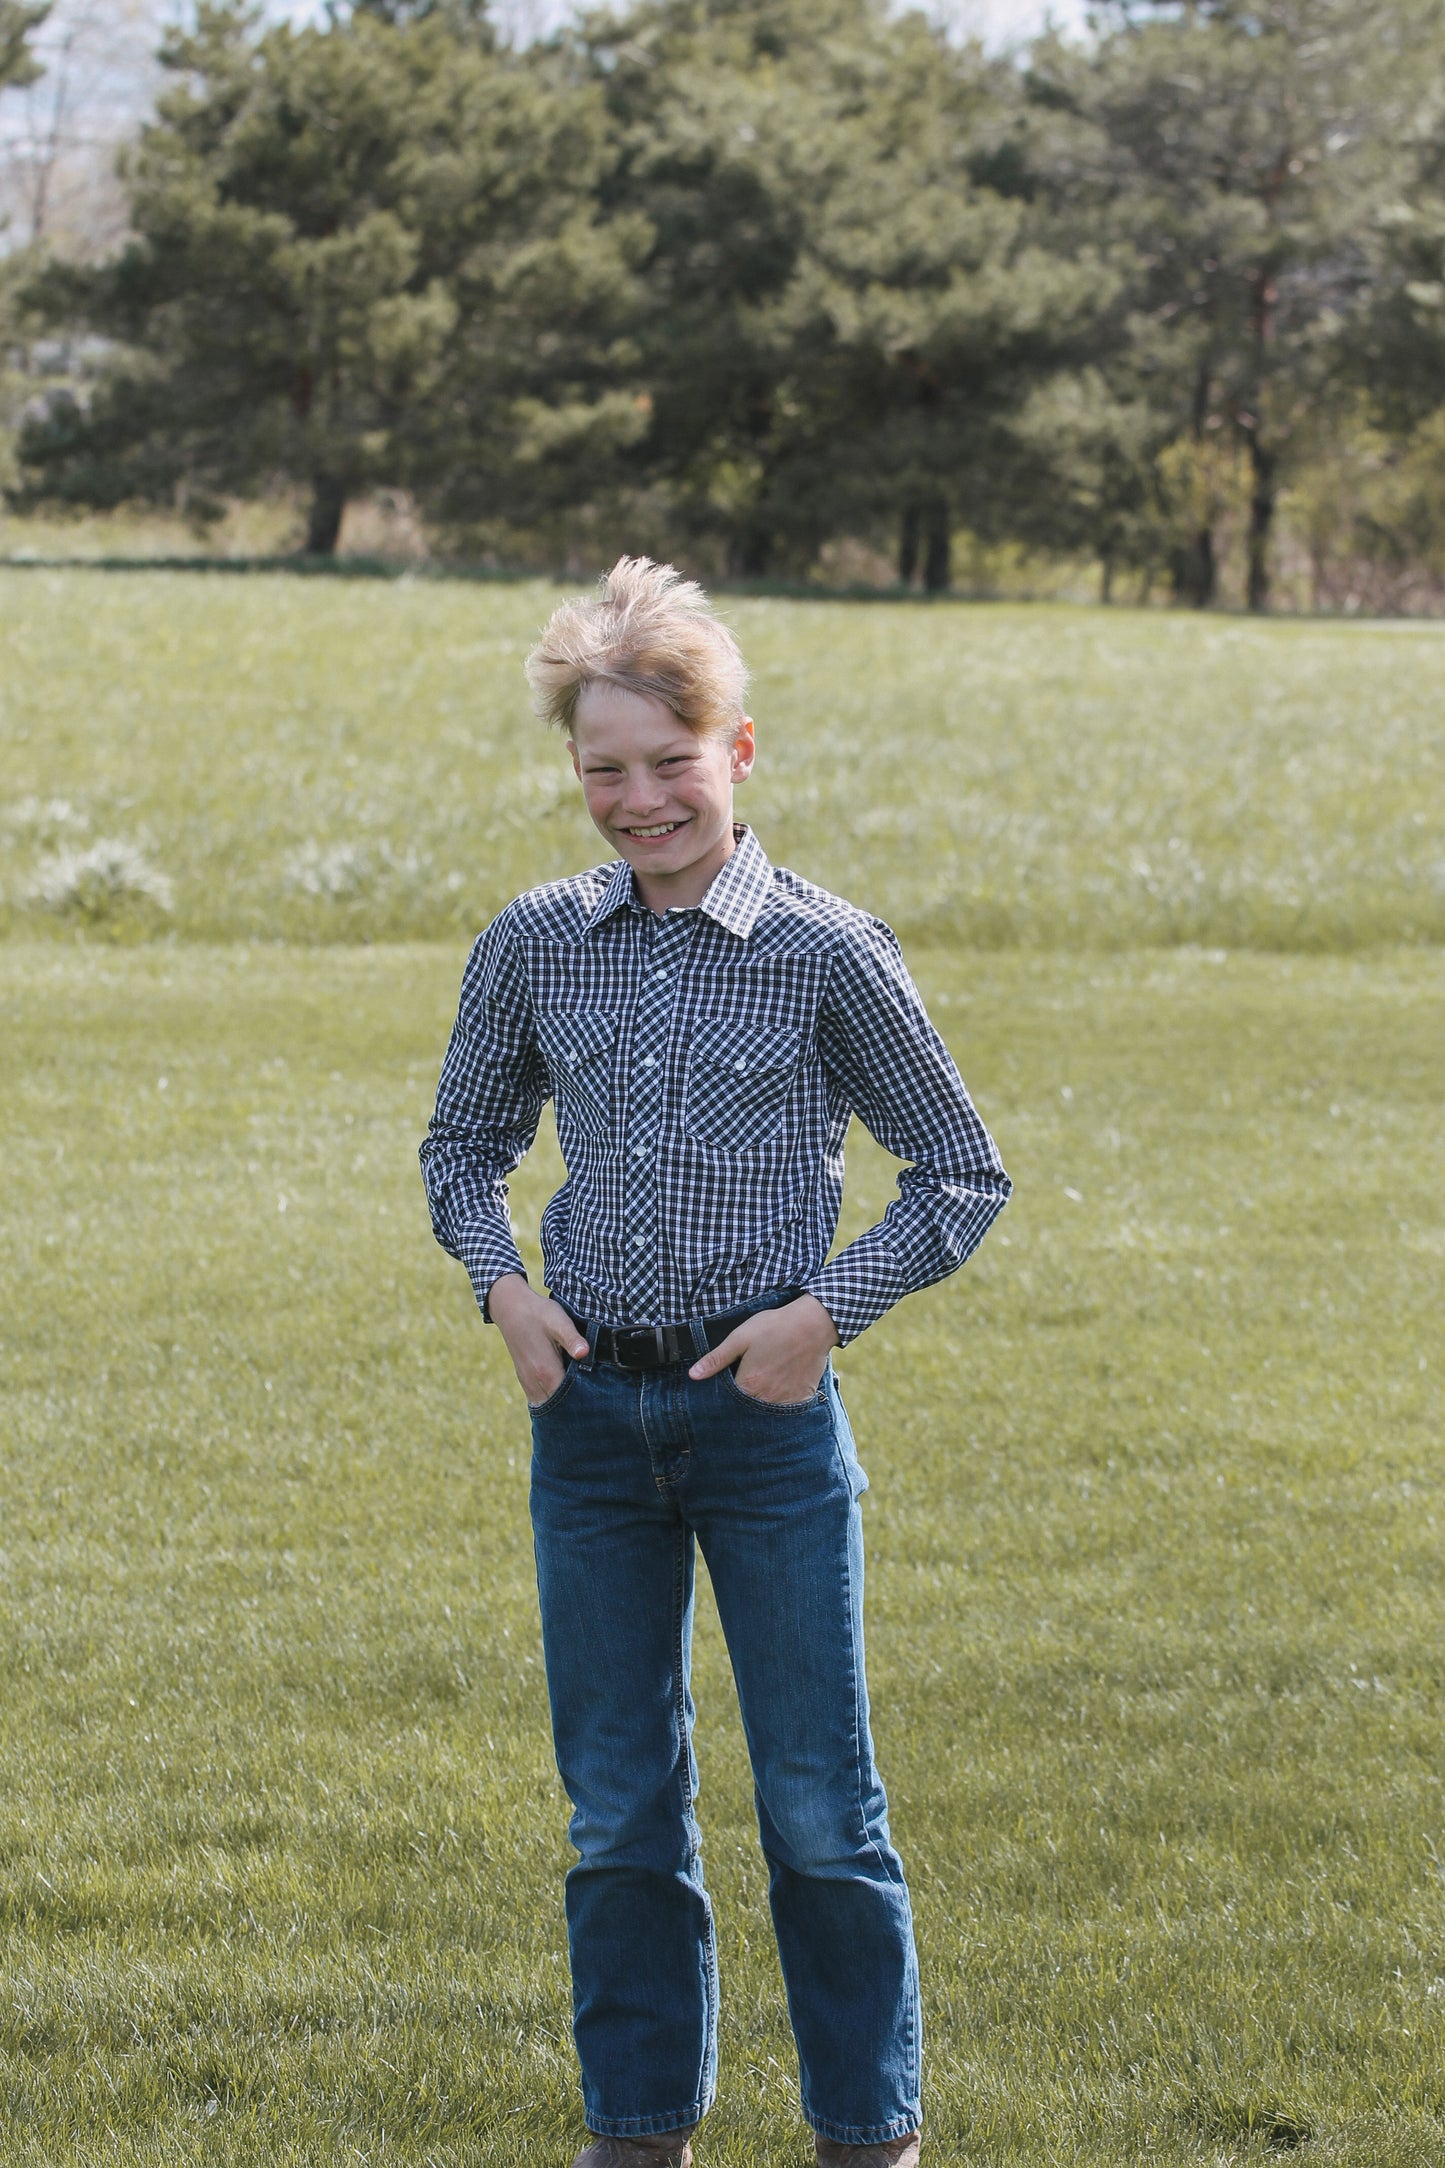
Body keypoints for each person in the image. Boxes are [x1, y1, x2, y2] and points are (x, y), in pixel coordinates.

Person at [420, 557, 1010, 2168]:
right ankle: (636, 2132)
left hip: (764, 1434)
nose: (635, 798)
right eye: (601, 769)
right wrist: (505, 1294)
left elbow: (961, 1171)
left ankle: (862, 2136)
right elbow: (461, 1148)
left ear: (734, 754)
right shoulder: (536, 943)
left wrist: (823, 1316)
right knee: (618, 1815)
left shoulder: (825, 952)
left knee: (822, 1812)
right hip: (592, 1425)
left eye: (666, 763)